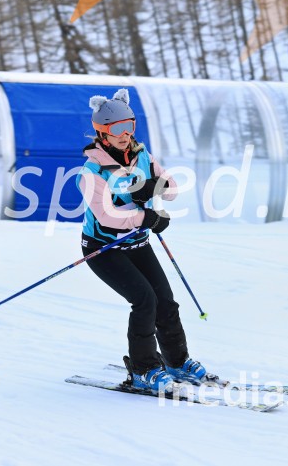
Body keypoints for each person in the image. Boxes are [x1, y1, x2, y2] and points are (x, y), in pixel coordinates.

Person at [76, 88, 208, 392]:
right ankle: (143, 369)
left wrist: (152, 186)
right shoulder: (92, 171)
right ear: (102, 133)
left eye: (129, 126)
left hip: (137, 243)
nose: (125, 134)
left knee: (165, 301)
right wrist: (145, 218)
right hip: (103, 249)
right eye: (116, 129)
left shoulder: (142, 156)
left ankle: (177, 362)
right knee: (144, 300)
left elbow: (172, 189)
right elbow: (106, 216)